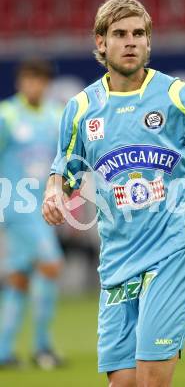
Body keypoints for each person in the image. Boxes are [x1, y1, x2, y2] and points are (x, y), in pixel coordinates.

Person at [42, 0, 185, 385]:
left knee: (150, 380)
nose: (130, 41)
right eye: (119, 34)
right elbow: (64, 172)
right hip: (118, 258)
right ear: (101, 42)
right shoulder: (81, 108)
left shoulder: (180, 97)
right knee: (123, 383)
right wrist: (54, 192)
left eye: (139, 34)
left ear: (148, 42)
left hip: (173, 250)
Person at [0, 60, 64, 369]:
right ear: (19, 83)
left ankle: (4, 352)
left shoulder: (56, 116)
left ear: (46, 83)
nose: (33, 85)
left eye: (39, 80)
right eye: (28, 79)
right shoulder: (7, 115)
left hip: (43, 209)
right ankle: (42, 348)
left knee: (19, 279)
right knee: (51, 264)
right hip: (16, 207)